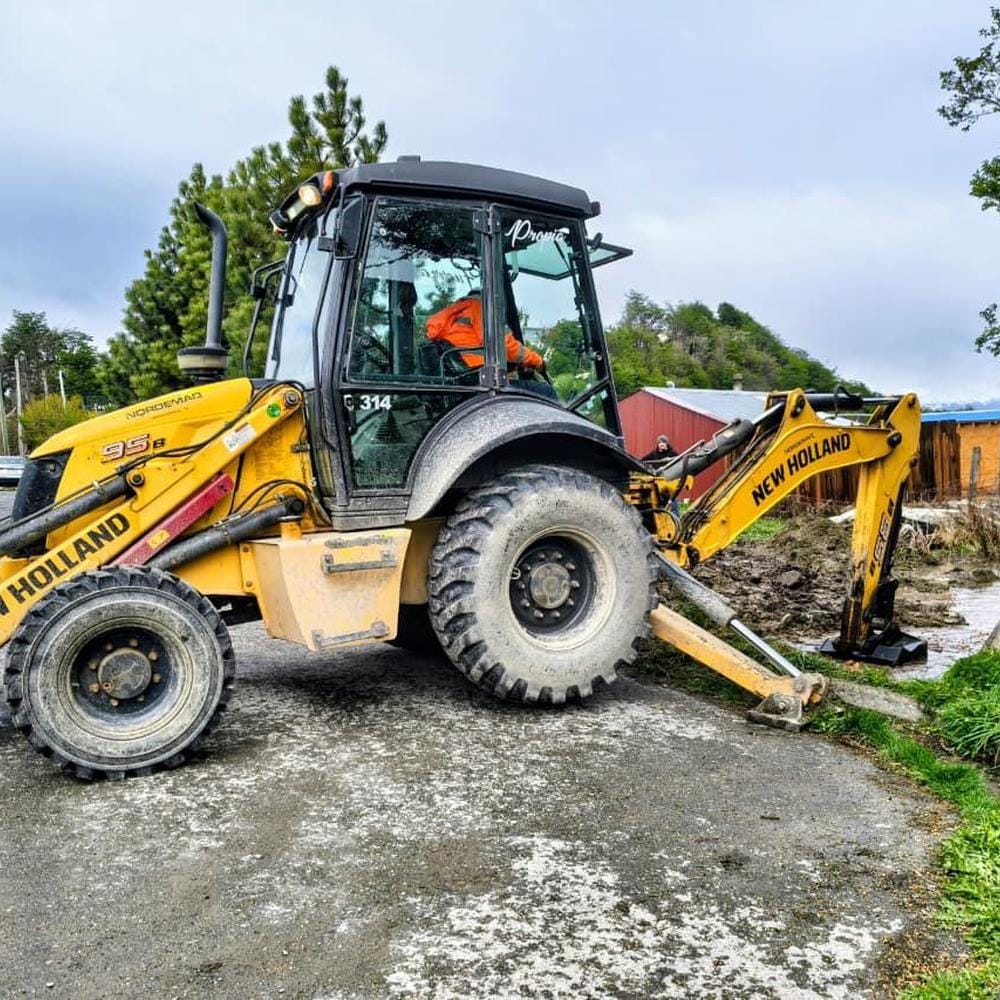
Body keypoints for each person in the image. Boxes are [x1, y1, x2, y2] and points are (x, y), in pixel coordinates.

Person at [426, 291, 544, 373]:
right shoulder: (483, 309)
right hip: (481, 376)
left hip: (468, 373)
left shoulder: (458, 315)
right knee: (545, 392)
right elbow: (505, 345)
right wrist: (537, 362)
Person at [642, 434, 682, 517]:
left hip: (670, 480)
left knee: (672, 501)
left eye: (663, 442)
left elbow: (680, 463)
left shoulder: (672, 453)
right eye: (659, 443)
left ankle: (676, 519)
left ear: (666, 444)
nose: (661, 444)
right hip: (659, 481)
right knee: (659, 501)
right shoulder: (654, 453)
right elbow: (643, 460)